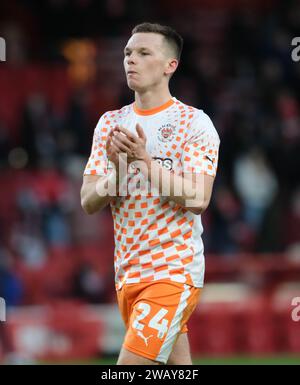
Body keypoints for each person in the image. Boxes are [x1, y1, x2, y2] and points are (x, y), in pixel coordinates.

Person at [81, 22, 220, 365]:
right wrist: (120, 172)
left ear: (170, 65)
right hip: (128, 272)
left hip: (173, 271)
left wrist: (144, 162)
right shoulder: (110, 123)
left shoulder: (194, 123)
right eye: (128, 53)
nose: (131, 60)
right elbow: (88, 201)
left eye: (144, 53)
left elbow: (198, 199)